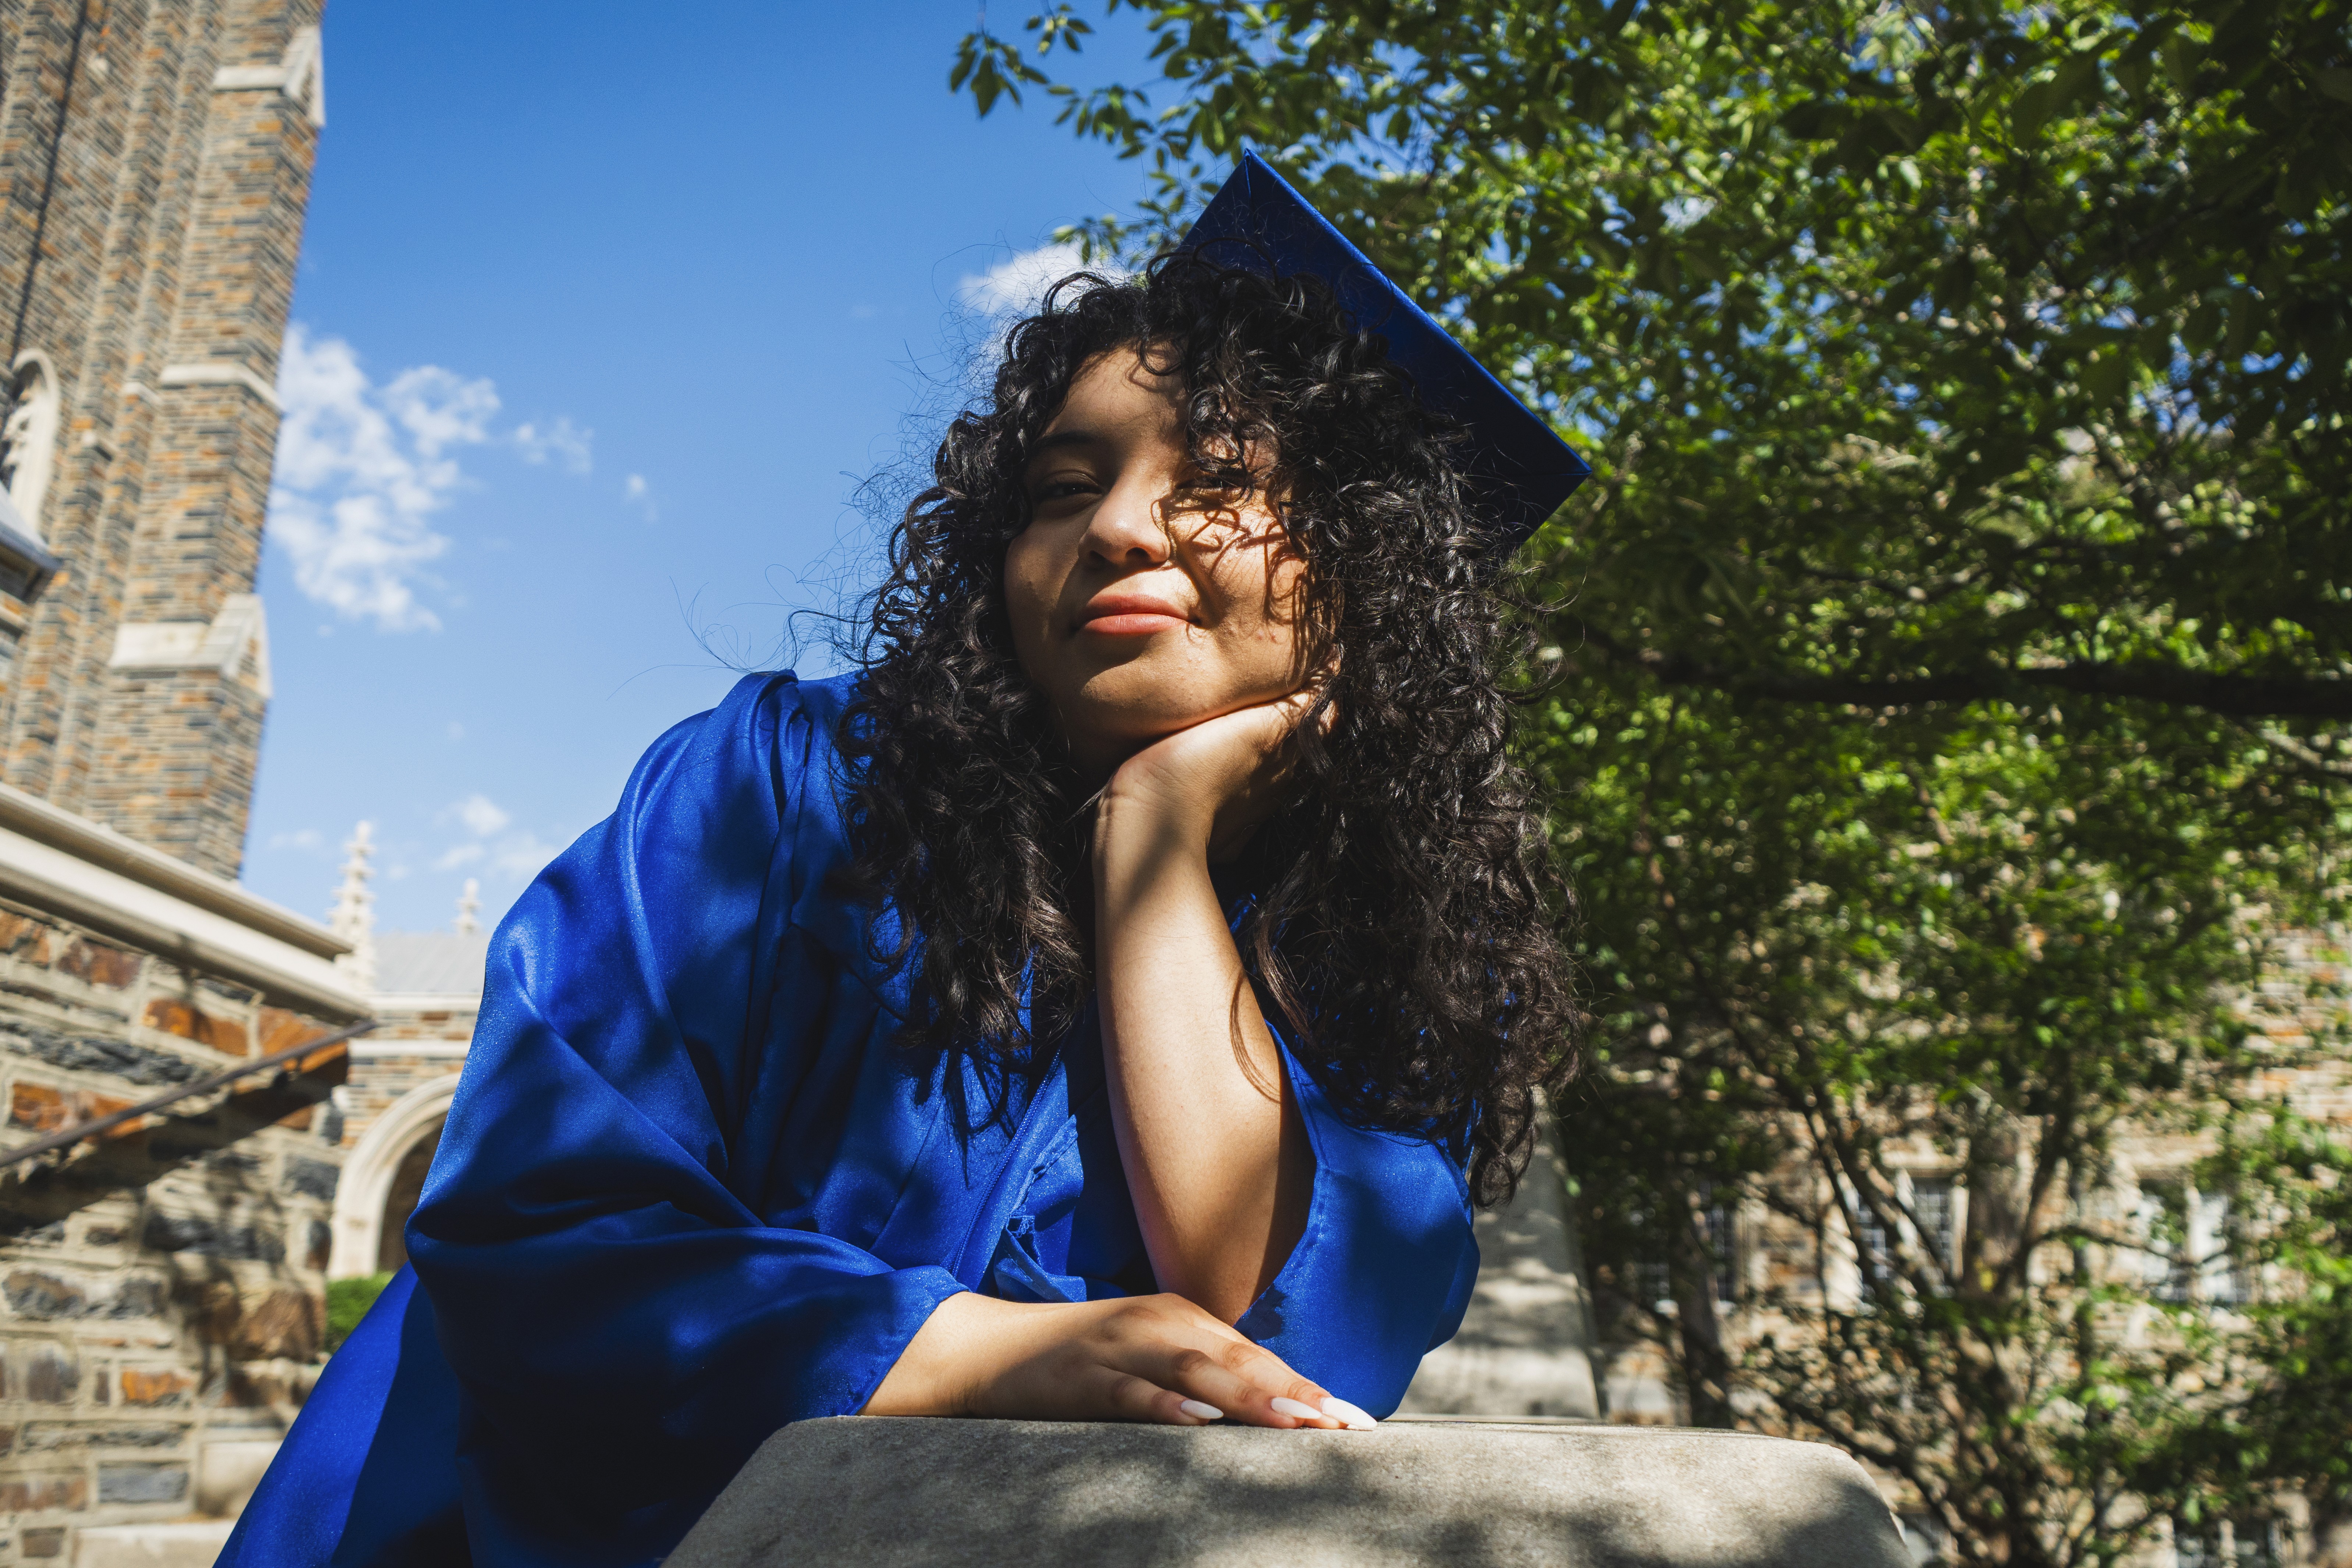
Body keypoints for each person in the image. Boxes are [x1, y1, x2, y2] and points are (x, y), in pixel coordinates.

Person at [220, 152, 1589, 1568]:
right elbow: (534, 1221)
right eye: (1063, 486)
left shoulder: (1398, 951)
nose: (1115, 525)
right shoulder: (783, 793)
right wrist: (950, 1350)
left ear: (1371, 570)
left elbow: (1297, 1339)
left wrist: (1154, 846)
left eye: (1221, 478)